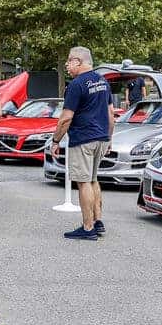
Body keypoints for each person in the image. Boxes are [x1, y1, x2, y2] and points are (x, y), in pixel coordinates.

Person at [51, 46, 114, 240]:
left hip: (83, 139)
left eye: (69, 62)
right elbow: (111, 114)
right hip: (101, 137)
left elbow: (65, 118)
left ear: (78, 61)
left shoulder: (76, 85)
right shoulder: (103, 81)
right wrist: (109, 137)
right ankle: (98, 220)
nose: (67, 66)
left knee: (83, 182)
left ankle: (87, 228)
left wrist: (55, 140)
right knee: (94, 179)